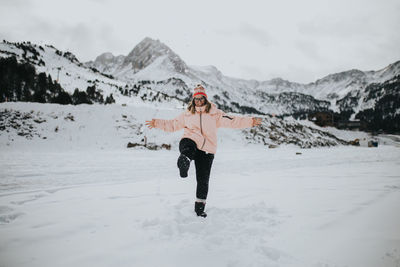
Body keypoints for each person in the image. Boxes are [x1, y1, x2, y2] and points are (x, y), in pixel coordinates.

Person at [145, 84, 261, 217]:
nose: (199, 101)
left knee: (203, 180)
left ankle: (199, 209)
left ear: (205, 99)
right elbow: (172, 124)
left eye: (201, 98)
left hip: (207, 149)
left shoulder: (215, 114)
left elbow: (233, 121)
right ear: (193, 100)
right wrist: (157, 123)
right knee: (187, 144)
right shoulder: (187, 114)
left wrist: (251, 121)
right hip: (191, 140)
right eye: (196, 99)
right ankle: (185, 160)